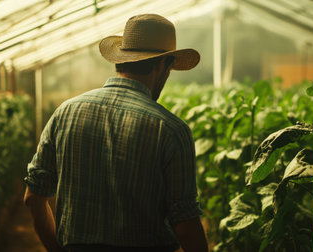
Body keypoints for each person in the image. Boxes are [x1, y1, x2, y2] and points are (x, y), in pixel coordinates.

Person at [23, 14, 208, 252]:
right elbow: (185, 224)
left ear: (119, 59)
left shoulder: (65, 112)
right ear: (163, 65)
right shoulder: (171, 130)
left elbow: (33, 197)